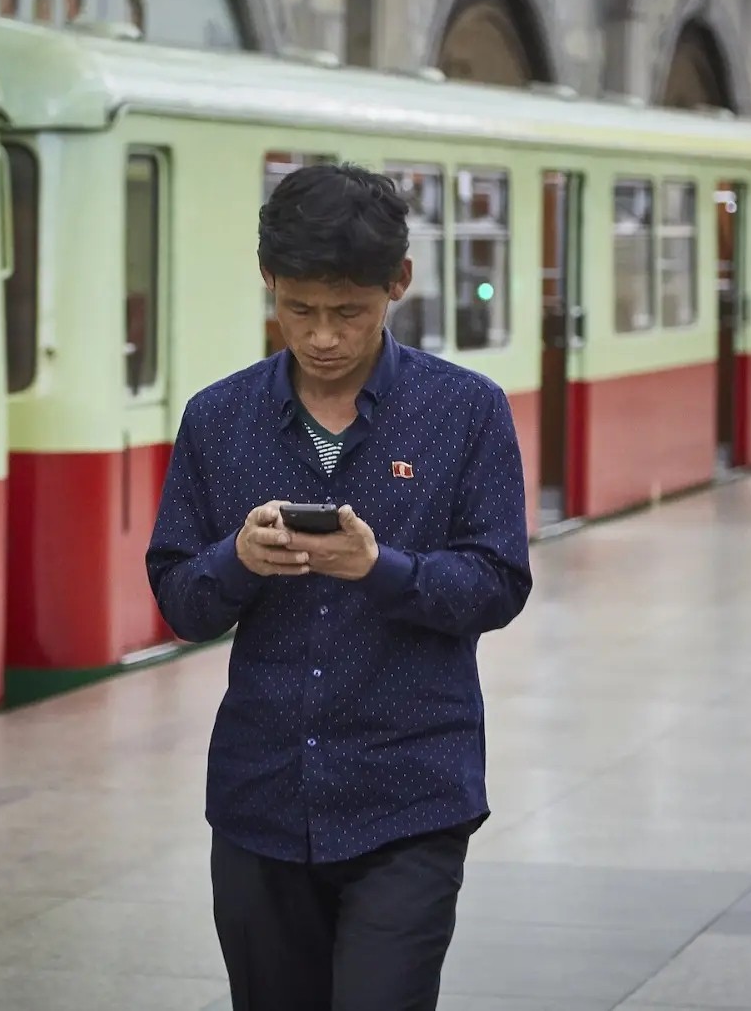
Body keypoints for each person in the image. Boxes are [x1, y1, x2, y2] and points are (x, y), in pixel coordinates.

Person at [146, 163, 533, 1010]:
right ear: (269, 283)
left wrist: (380, 568)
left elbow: (501, 582)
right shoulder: (219, 417)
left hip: (410, 798)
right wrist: (235, 561)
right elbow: (178, 599)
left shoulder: (465, 411)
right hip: (261, 801)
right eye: (298, 310)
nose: (321, 336)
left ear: (398, 283)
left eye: (349, 313)